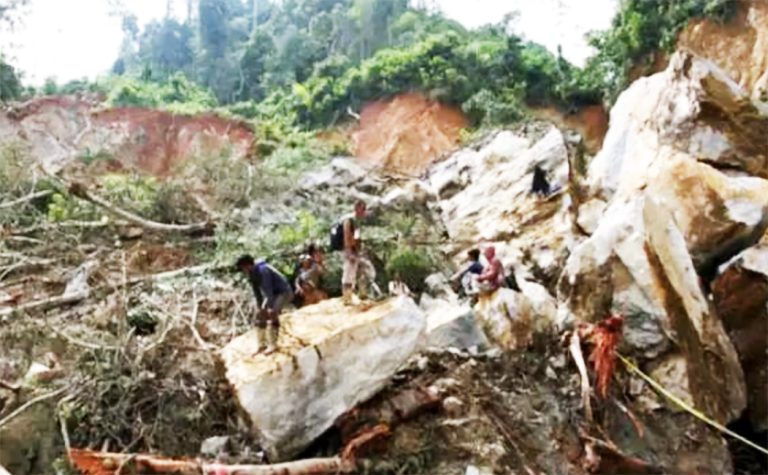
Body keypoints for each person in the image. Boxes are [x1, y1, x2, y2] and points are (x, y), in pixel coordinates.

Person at [235, 255, 293, 353]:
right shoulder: (252, 274)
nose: (243, 271)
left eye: (243, 268)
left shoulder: (263, 270)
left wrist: (269, 306)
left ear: (248, 265)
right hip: (273, 294)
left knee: (272, 313)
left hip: (283, 292)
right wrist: (260, 307)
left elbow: (268, 291)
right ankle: (262, 344)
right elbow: (257, 293)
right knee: (260, 316)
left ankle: (273, 344)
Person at [341, 200, 377, 305]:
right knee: (348, 275)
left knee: (364, 270)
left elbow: (357, 238)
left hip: (356, 252)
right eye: (363, 209)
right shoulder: (348, 220)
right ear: (357, 208)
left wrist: (360, 251)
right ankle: (347, 299)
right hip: (349, 251)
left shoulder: (357, 221)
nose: (364, 211)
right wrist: (349, 253)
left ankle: (363, 294)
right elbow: (346, 238)